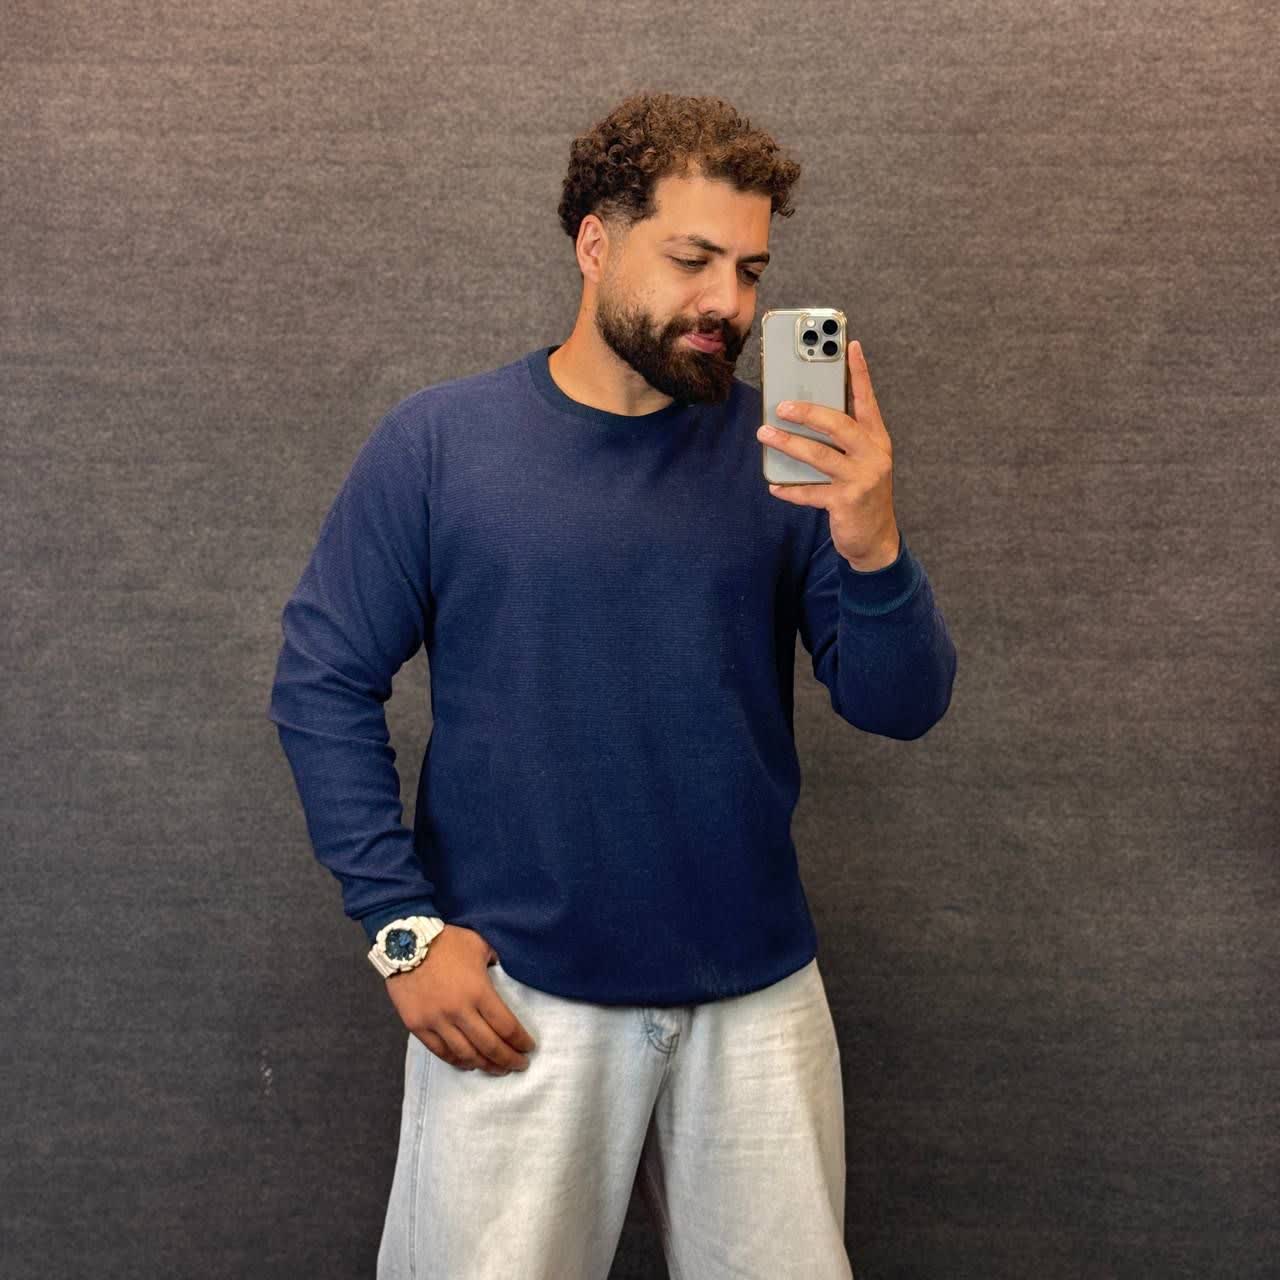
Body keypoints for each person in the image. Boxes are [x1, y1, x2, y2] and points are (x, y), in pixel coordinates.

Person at [268, 90, 957, 1280]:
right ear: (595, 243)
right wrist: (400, 931)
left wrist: (873, 541)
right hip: (518, 1000)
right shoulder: (439, 444)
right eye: (691, 259)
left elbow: (898, 704)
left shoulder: (785, 459)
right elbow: (321, 679)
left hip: (757, 997)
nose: (727, 303)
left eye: (749, 270)